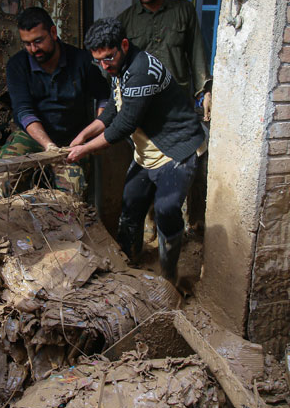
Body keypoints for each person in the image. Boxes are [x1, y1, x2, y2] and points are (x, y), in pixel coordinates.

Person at [68, 18, 206, 284]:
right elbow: (112, 111)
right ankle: (128, 263)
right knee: (131, 204)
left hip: (175, 150)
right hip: (148, 153)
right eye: (99, 61)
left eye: (108, 58)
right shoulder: (120, 69)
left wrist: (84, 149)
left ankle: (169, 275)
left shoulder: (141, 70)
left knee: (167, 210)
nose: (105, 65)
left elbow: (123, 125)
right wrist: (82, 136)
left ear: (123, 45)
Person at [0, 7, 107, 203]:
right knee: (2, 182)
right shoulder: (17, 65)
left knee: (73, 191)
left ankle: (65, 232)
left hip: (71, 139)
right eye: (27, 44)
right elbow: (23, 111)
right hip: (30, 135)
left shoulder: (81, 60)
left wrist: (96, 132)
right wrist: (48, 146)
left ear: (53, 33)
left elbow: (104, 96)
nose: (33, 49)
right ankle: (5, 231)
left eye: (38, 41)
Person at [117, 0, 212, 113]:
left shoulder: (184, 10)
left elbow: (196, 53)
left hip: (177, 101)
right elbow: (116, 64)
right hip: (141, 104)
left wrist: (203, 92)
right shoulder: (125, 20)